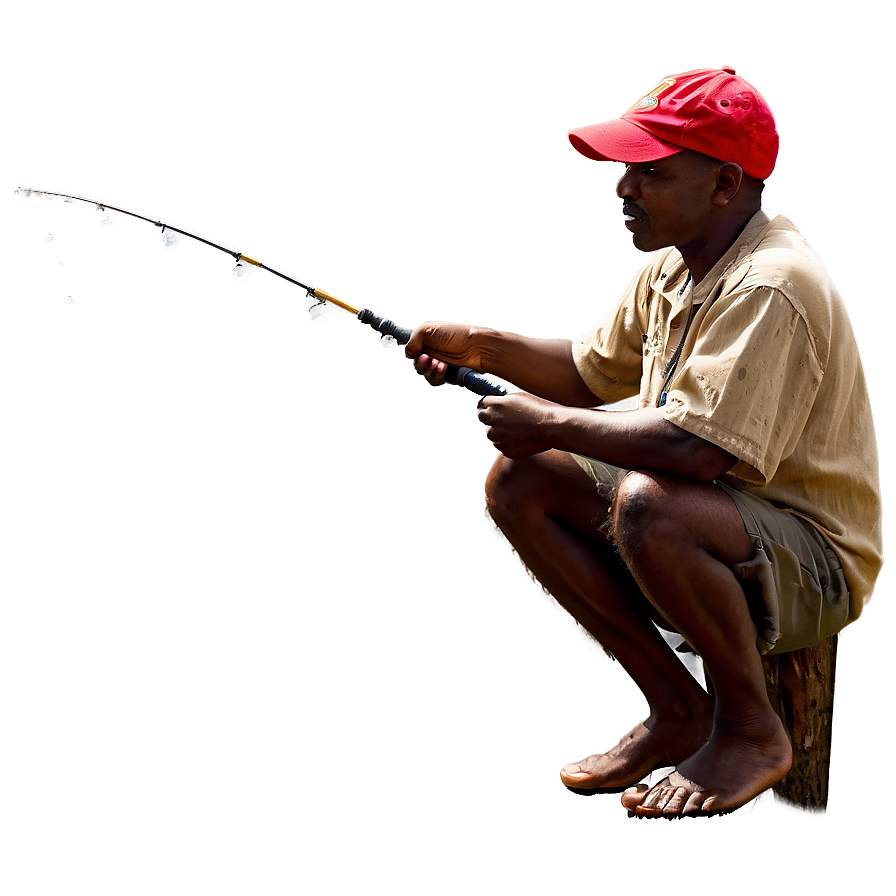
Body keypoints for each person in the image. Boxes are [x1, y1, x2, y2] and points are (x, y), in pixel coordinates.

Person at [404, 68, 883, 819]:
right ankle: (676, 708)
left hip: (811, 561)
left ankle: (752, 729)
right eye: (628, 170)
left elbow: (696, 453)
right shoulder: (677, 264)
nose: (624, 189)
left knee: (652, 503)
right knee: (522, 482)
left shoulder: (770, 284)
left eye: (651, 173)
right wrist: (481, 349)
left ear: (724, 184)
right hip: (720, 521)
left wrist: (550, 424)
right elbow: (586, 372)